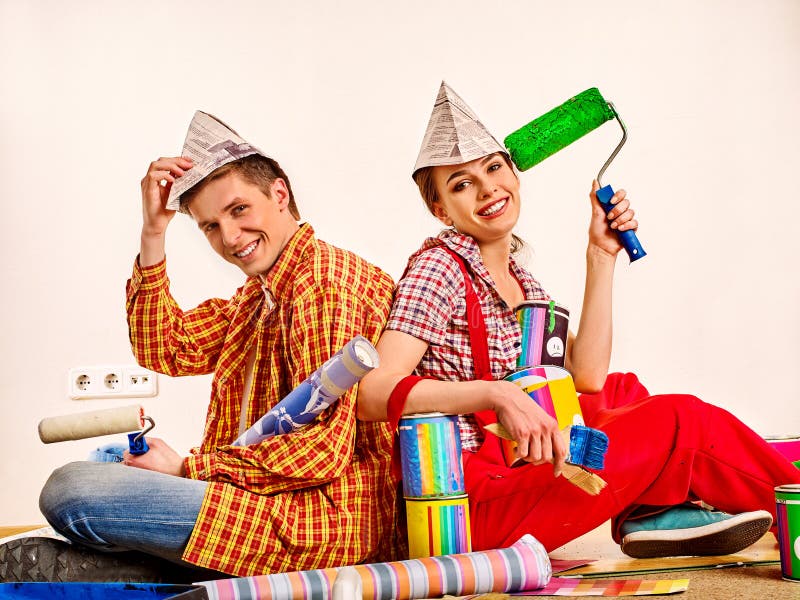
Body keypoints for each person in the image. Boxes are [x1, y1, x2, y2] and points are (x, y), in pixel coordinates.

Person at [357, 82, 800, 559]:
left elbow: (585, 377)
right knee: (678, 420)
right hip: (466, 503)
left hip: (520, 462)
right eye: (461, 183)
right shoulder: (439, 267)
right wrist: (495, 392)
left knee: (622, 390)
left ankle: (649, 513)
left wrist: (600, 255)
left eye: (493, 168)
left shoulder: (523, 283)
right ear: (439, 208)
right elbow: (371, 392)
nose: (487, 188)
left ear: (514, 173)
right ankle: (783, 505)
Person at [2, 112, 398, 582]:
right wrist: (154, 232)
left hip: (316, 524)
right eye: (210, 226)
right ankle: (158, 569)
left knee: (70, 490)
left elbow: (320, 452)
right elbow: (164, 348)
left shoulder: (324, 285)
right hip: (259, 500)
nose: (230, 239)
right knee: (107, 465)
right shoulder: (260, 295)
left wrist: (187, 467)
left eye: (238, 210)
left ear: (279, 193)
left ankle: (158, 572)